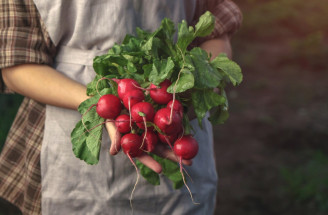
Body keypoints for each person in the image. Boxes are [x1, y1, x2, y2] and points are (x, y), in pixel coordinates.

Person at [0, 0, 242, 214]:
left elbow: (215, 27)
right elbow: (16, 64)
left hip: (174, 102)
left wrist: (199, 86)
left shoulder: (175, 101)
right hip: (65, 107)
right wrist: (102, 103)